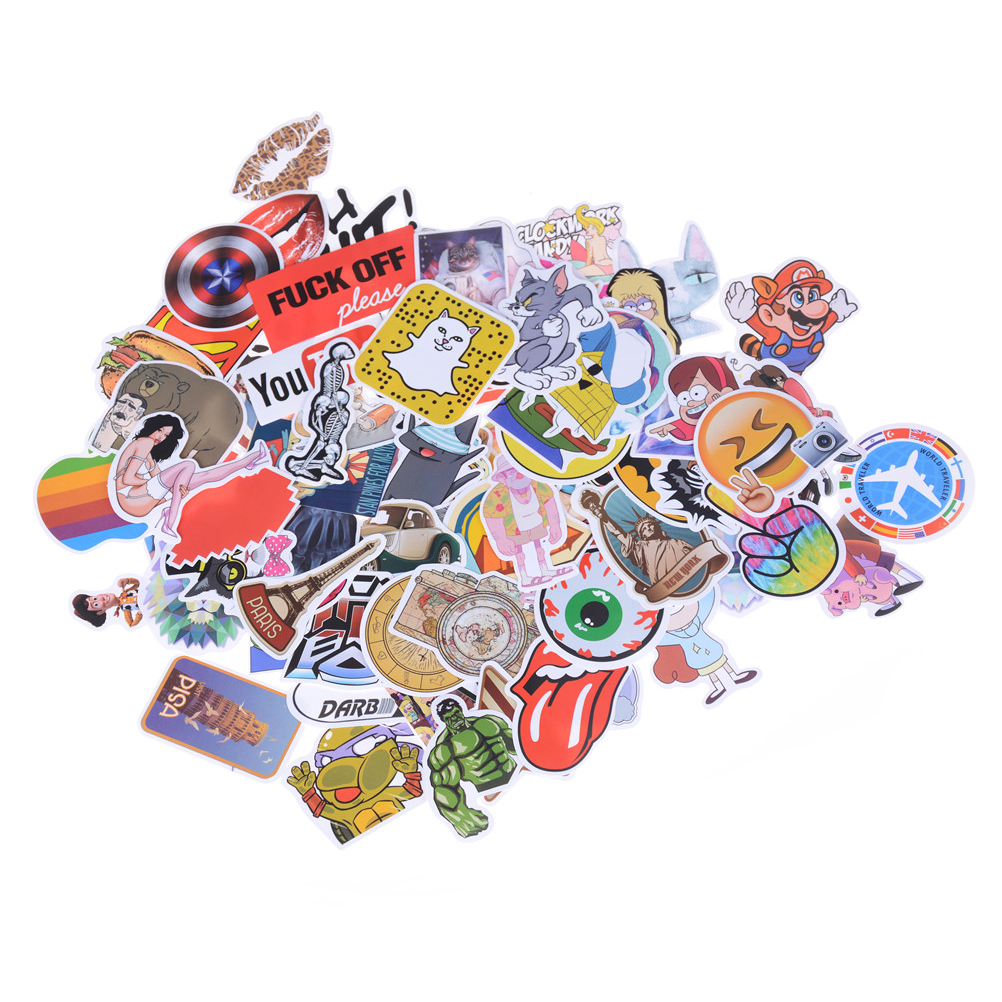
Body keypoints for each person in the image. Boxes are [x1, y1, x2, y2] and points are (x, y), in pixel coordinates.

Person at [113, 413, 269, 537]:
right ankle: (170, 521)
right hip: (130, 499)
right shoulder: (144, 442)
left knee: (205, 476)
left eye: (166, 435)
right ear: (152, 426)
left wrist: (179, 490)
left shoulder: (149, 453)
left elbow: (159, 480)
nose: (161, 437)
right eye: (160, 430)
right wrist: (164, 484)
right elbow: (127, 479)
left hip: (141, 501)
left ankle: (251, 460)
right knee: (188, 465)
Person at [72, 577, 143, 628]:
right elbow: (131, 624)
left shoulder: (125, 592)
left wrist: (127, 580)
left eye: (95, 598)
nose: (101, 598)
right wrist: (139, 613)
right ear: (101, 612)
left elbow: (138, 584)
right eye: (96, 604)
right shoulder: (125, 609)